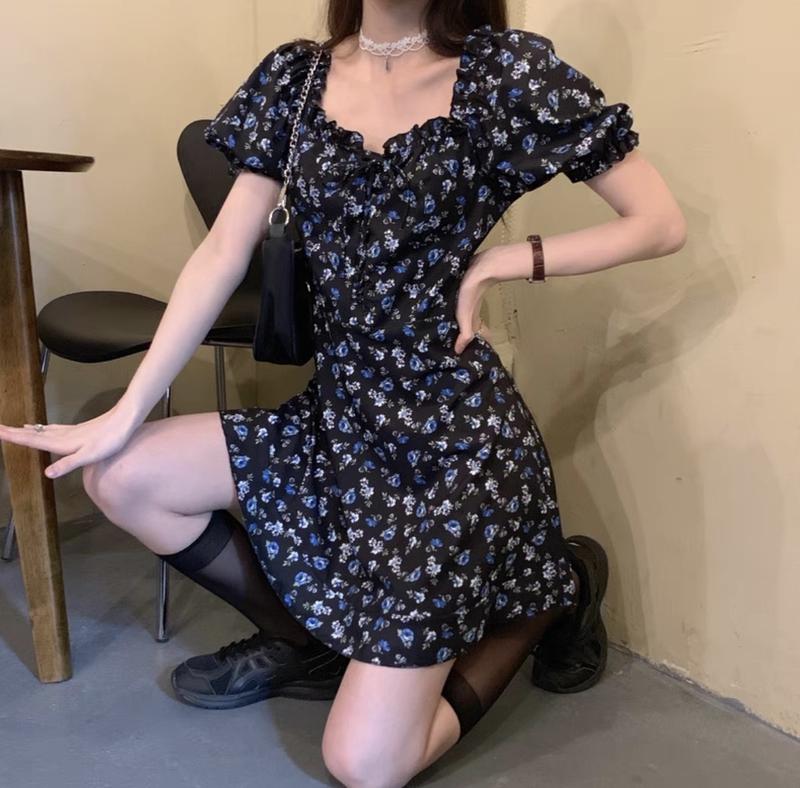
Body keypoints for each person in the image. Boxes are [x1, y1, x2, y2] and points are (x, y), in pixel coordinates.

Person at [0, 1, 686, 785]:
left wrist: (505, 261)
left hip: (453, 450)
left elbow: (658, 222)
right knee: (118, 475)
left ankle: (551, 594)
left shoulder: (504, 73)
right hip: (338, 420)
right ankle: (308, 646)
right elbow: (223, 251)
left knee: (364, 764)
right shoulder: (296, 79)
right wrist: (126, 410)